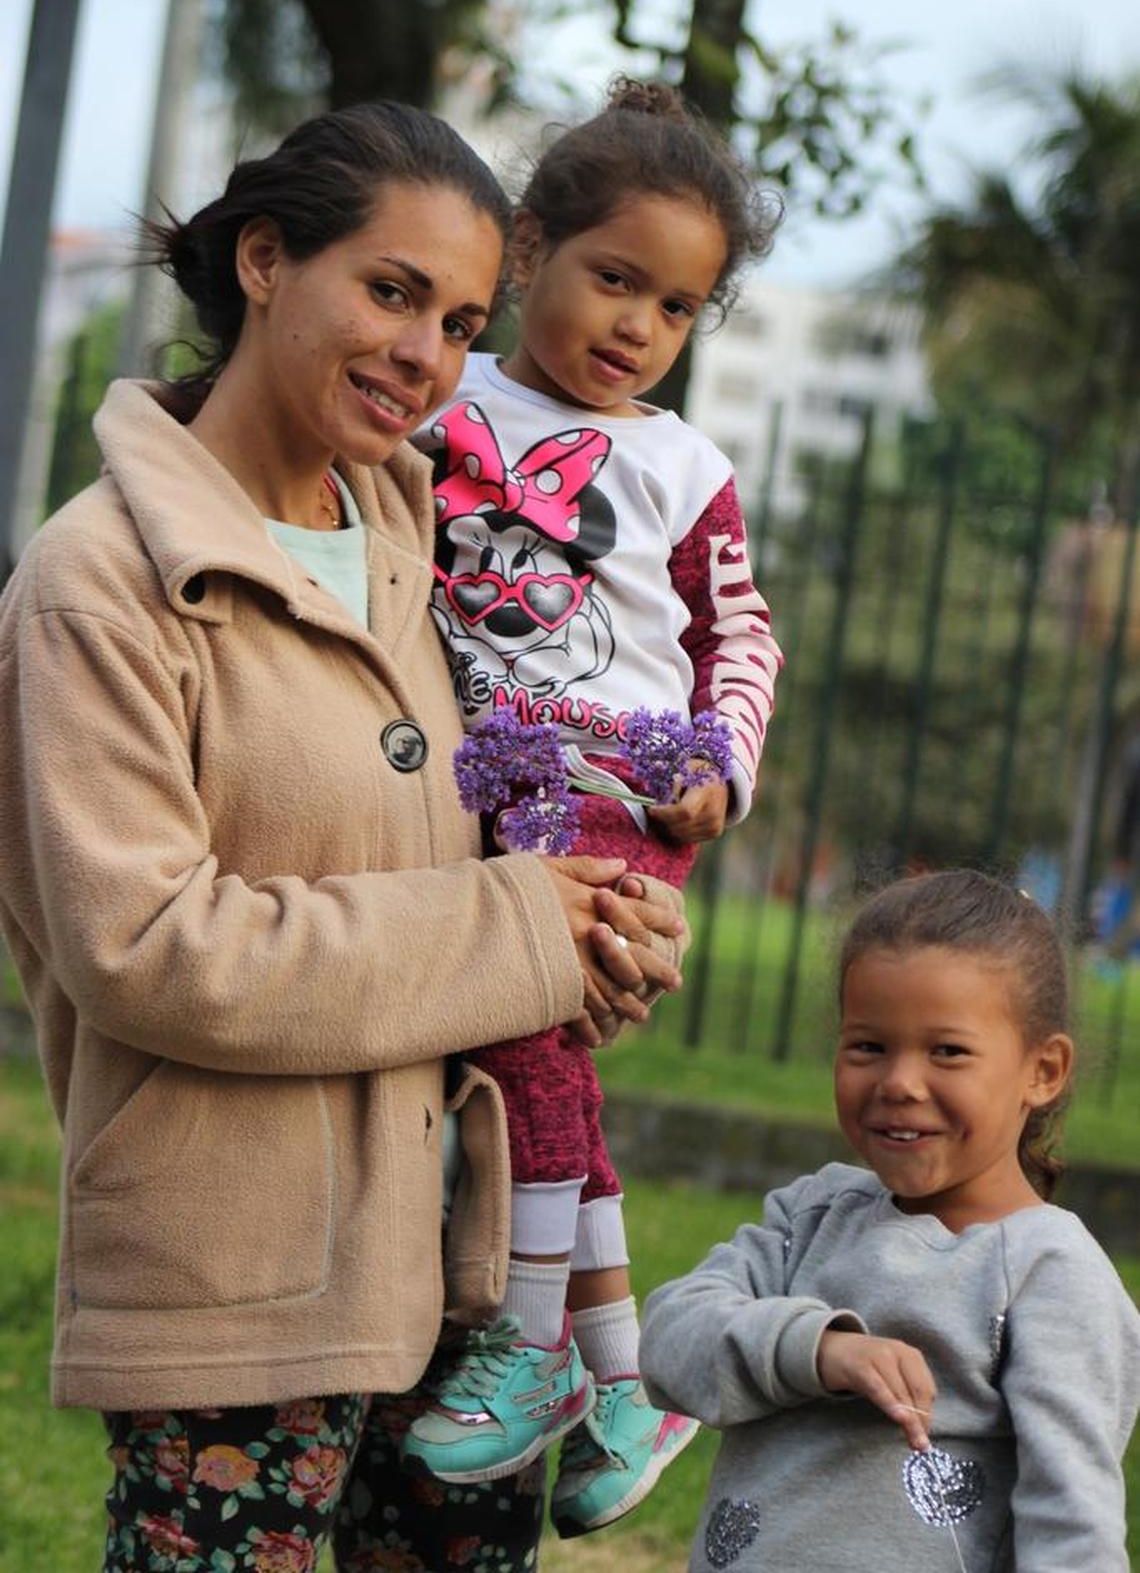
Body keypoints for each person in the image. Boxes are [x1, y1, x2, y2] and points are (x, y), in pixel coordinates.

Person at [0, 100, 691, 1573]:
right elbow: (149, 948)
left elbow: (492, 838)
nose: (426, 356)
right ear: (263, 260)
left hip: (467, 1275)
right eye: (390, 292)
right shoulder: (97, 583)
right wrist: (515, 932)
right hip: (235, 1285)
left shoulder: (430, 539)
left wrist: (596, 938)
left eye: (458, 320)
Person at [403, 77, 782, 1537]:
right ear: (527, 247)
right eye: (614, 278)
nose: (638, 328)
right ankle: (632, 1376)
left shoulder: (688, 466)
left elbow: (742, 637)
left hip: (616, 795)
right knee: (547, 1065)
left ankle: (532, 1343)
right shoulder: (445, 404)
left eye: (677, 307)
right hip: (472, 793)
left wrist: (724, 767)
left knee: (522, 1027)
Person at [640, 869, 1140, 1572]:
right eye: (869, 1046)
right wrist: (817, 1350)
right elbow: (669, 1339)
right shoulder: (813, 1214)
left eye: (948, 1051)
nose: (900, 1082)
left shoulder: (1048, 1271)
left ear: (1044, 1069)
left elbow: (1073, 1520)